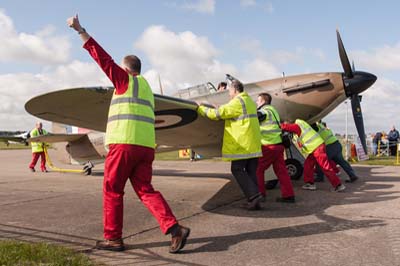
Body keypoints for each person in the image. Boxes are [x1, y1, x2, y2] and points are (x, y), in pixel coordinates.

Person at [67, 14, 189, 253]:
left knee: (112, 190)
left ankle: (113, 238)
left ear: (126, 69)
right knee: (145, 190)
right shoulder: (146, 89)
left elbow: (103, 59)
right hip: (145, 148)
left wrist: (80, 30)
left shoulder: (125, 81)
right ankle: (175, 229)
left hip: (124, 146)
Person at [197, 79, 263, 210]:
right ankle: (255, 200)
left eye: (229, 91)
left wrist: (200, 108)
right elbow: (229, 111)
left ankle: (254, 196)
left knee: (237, 169)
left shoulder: (237, 101)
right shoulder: (249, 101)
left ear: (234, 90)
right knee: (251, 172)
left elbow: (217, 114)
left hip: (242, 144)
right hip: (253, 144)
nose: (229, 94)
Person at [281, 119, 345, 192]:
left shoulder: (297, 126)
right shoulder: (302, 124)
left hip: (316, 148)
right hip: (315, 148)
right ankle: (309, 183)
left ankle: (338, 185)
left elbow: (285, 127)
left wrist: (277, 124)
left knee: (325, 167)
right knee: (308, 165)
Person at [255, 93, 295, 203]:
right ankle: (288, 195)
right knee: (282, 172)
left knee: (258, 170)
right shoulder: (274, 111)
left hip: (269, 146)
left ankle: (260, 195)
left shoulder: (265, 110)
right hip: (278, 146)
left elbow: (257, 116)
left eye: (257, 101)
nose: (256, 103)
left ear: (263, 101)